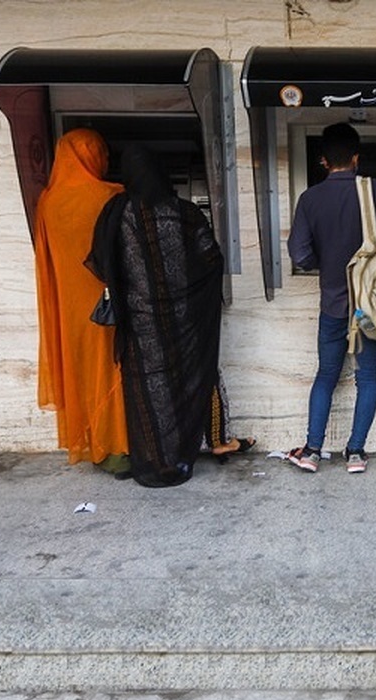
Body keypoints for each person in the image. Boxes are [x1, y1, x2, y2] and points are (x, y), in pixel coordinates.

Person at [88, 145, 253, 488]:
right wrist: (190, 292)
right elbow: (212, 259)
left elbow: (102, 263)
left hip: (140, 323)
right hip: (185, 320)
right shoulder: (186, 213)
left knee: (148, 390)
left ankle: (156, 461)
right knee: (198, 375)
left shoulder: (117, 213)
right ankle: (202, 446)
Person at [285, 122, 376, 474]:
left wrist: (325, 262)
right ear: (356, 158)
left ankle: (312, 451)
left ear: (324, 161)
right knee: (366, 377)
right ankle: (355, 453)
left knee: (326, 375)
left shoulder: (309, 199)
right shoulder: (375, 190)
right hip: (370, 305)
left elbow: (300, 254)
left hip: (333, 305)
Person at [32, 128, 130, 476]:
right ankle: (118, 449)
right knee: (112, 372)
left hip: (69, 307)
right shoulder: (112, 195)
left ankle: (96, 447)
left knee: (85, 376)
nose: (105, 159)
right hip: (108, 304)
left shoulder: (48, 202)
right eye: (101, 152)